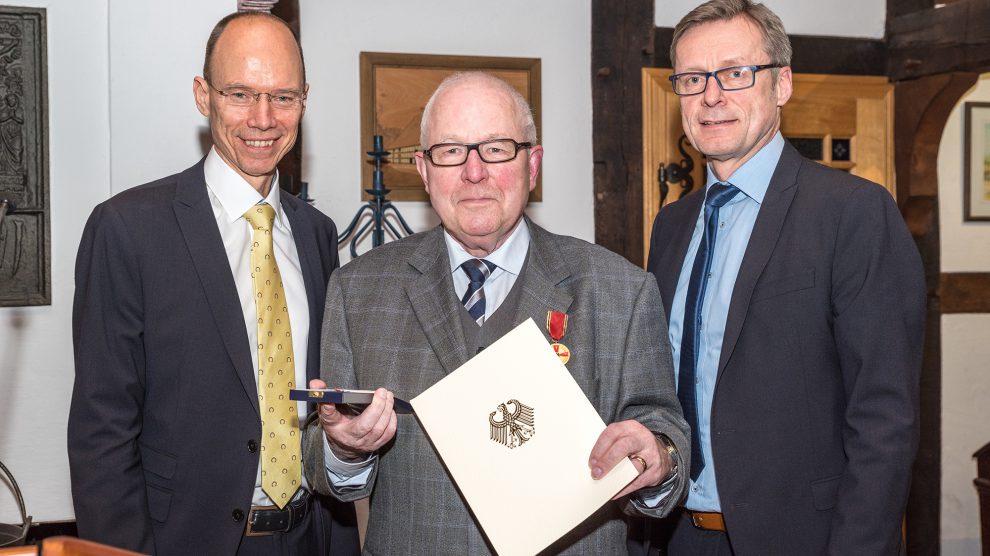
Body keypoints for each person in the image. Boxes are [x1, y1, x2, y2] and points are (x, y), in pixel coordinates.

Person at [301, 72, 690, 555]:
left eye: (496, 148)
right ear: (424, 170)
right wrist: (343, 448)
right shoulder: (358, 290)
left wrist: (660, 459)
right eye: (450, 151)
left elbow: (664, 431)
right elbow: (321, 465)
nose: (473, 171)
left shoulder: (621, 291)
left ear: (533, 165)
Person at [68, 12, 358, 555]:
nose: (263, 118)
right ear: (204, 95)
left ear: (305, 100)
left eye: (284, 97)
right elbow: (101, 432)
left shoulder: (318, 233)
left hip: (311, 537)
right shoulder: (127, 230)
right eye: (241, 94)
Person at [643, 1, 927, 554]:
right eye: (693, 78)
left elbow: (884, 420)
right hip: (676, 537)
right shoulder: (673, 225)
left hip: (805, 540)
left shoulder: (852, 213)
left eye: (735, 73)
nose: (711, 95)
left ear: (782, 84)